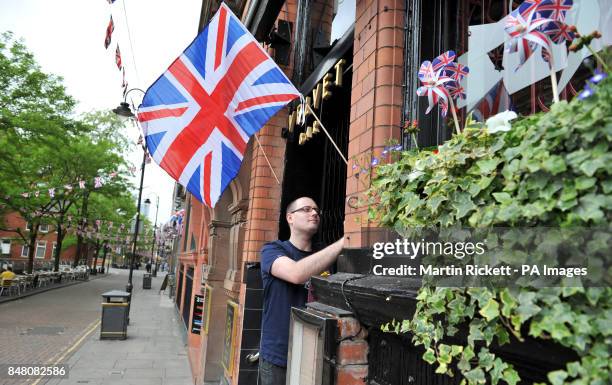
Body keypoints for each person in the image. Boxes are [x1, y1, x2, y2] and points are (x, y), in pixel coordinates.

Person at [259, 197, 345, 385]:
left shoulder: (325, 254)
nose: (314, 213)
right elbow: (296, 274)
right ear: (290, 218)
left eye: (316, 210)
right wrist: (343, 242)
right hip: (279, 356)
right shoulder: (272, 250)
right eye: (306, 209)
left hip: (317, 352)